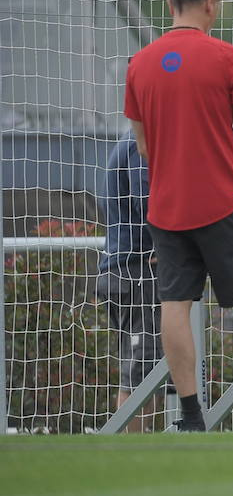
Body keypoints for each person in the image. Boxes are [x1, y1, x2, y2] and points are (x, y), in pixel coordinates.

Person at [123, 0, 233, 431]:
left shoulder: (139, 64)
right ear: (210, 3)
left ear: (170, 3)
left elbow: (142, 145)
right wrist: (228, 177)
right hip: (223, 200)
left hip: (167, 205)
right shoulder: (227, 57)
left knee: (175, 303)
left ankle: (191, 417)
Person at [95, 130, 161, 433]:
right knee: (140, 372)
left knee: (147, 371)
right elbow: (146, 200)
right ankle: (130, 452)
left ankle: (143, 450)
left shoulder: (138, 138)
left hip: (127, 270)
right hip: (133, 272)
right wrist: (168, 243)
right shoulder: (141, 139)